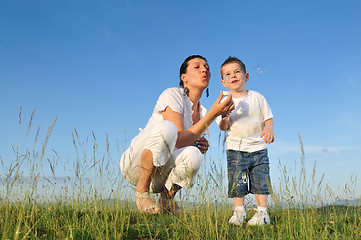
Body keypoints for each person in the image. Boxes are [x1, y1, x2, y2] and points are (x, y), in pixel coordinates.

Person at [120, 55, 235, 214]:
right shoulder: (172, 94)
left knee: (194, 153)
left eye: (207, 68)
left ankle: (167, 199)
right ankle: (141, 193)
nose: (204, 70)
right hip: (137, 166)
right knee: (168, 128)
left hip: (160, 177)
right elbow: (179, 139)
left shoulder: (203, 112)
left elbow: (187, 146)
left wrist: (201, 145)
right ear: (184, 77)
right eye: (197, 67)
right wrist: (213, 115)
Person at [217, 56, 274, 226]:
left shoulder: (257, 97)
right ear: (223, 82)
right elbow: (222, 126)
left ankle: (262, 214)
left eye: (237, 72)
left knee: (261, 181)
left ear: (246, 76)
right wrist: (225, 116)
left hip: (258, 148)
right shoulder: (224, 102)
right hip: (235, 149)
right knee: (237, 182)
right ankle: (239, 213)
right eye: (228, 74)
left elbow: (268, 117)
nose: (233, 76)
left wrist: (269, 129)